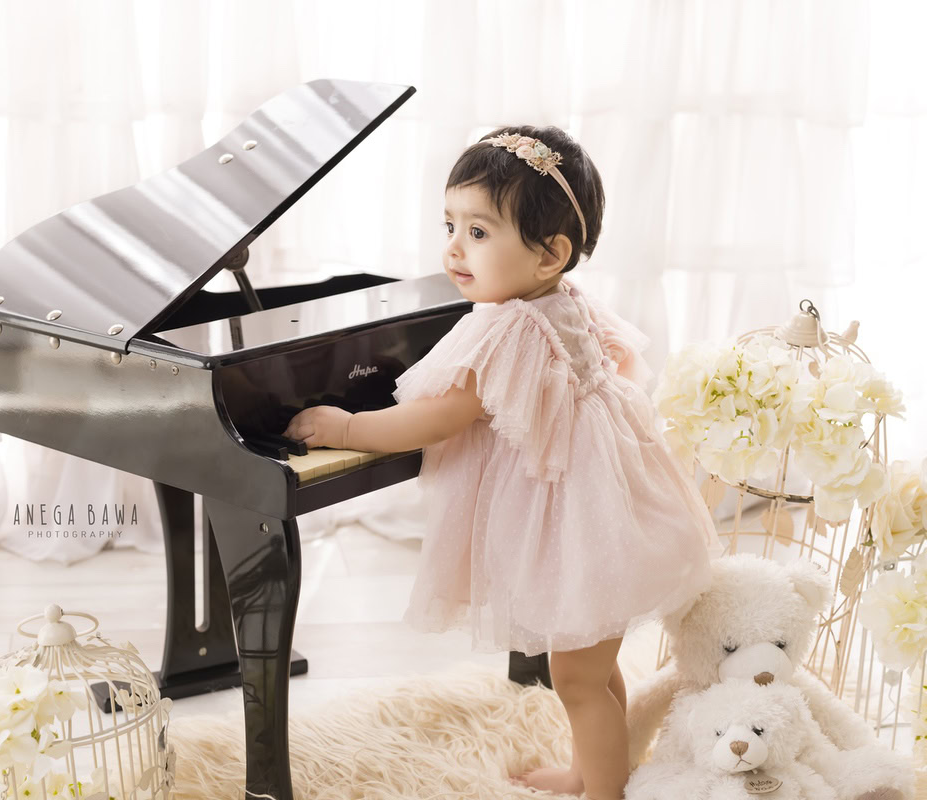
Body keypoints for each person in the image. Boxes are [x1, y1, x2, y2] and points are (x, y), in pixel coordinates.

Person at [282, 126, 724, 800]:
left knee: (576, 676)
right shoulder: (559, 300)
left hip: (580, 518)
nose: (454, 248)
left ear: (551, 255)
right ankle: (593, 770)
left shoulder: (505, 325)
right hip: (606, 508)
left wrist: (347, 424)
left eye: (479, 232)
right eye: (450, 224)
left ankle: (604, 791)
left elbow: (437, 416)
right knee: (590, 664)